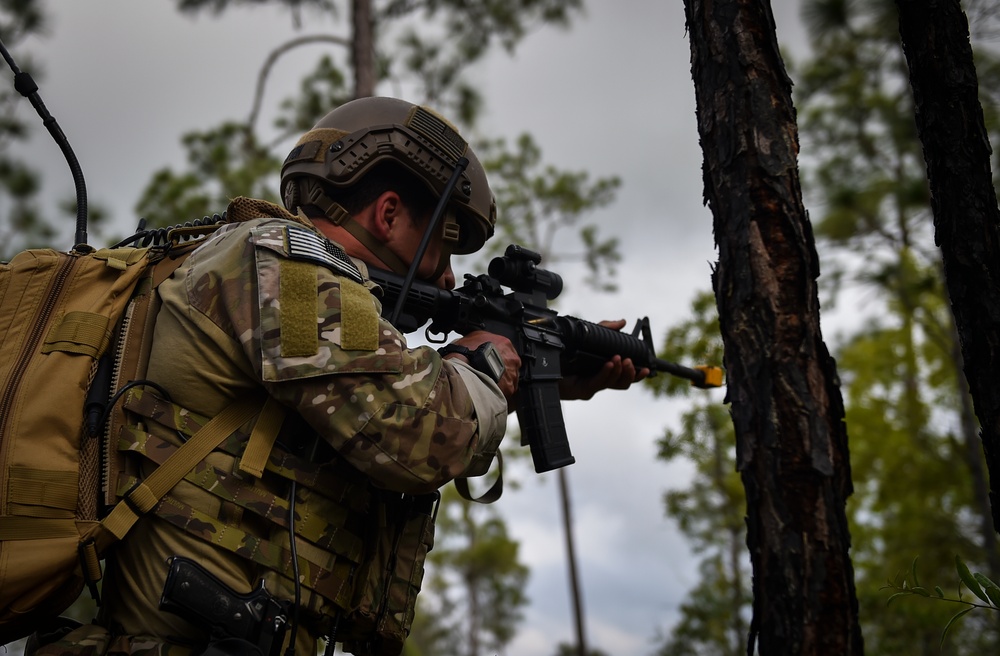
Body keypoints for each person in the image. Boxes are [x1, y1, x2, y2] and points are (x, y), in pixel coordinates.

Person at [34, 96, 644, 656]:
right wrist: (485, 365)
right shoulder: (287, 265)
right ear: (387, 213)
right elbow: (412, 434)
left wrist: (537, 376)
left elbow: (364, 400)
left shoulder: (251, 261)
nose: (451, 278)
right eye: (443, 247)